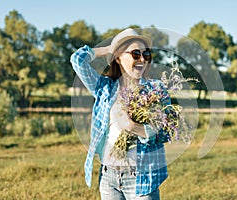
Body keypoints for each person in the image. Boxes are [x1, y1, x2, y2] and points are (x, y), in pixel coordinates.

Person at [70, 28, 171, 199]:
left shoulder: (156, 89)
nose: (142, 59)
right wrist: (107, 50)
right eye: (135, 53)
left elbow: (166, 131)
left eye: (146, 55)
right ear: (118, 58)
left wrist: (134, 127)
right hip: (108, 175)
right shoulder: (105, 87)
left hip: (141, 177)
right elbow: (77, 60)